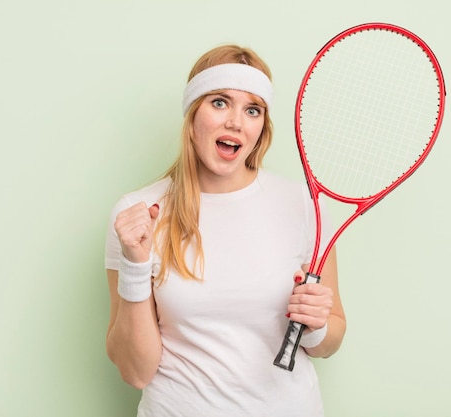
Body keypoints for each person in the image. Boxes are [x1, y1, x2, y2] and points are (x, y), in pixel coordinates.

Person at [104, 44, 346, 416]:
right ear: (192, 112)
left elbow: (330, 340)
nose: (236, 122)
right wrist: (135, 265)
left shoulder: (302, 205)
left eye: (252, 110)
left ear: (261, 126)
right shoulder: (138, 216)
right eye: (219, 102)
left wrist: (315, 326)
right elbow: (135, 372)